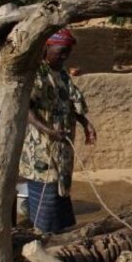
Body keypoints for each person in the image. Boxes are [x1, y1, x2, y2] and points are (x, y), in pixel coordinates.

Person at [19, 29, 97, 234]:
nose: (64, 56)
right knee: (48, 186)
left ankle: (60, 232)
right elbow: (25, 108)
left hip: (62, 145)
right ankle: (43, 235)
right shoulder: (37, 73)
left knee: (62, 186)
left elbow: (72, 100)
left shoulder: (61, 73)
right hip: (42, 147)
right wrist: (48, 131)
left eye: (67, 53)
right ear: (46, 48)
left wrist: (85, 123)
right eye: (61, 51)